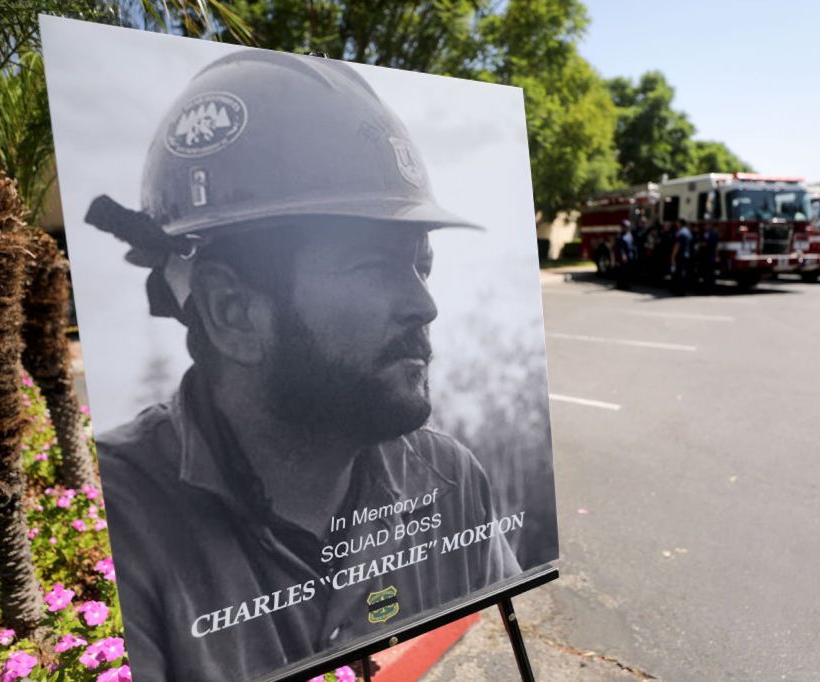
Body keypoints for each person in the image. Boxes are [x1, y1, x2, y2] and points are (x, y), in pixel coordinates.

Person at [85, 50, 520, 681]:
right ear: (232, 311)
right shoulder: (126, 523)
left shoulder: (450, 480)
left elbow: (488, 655)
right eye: (373, 267)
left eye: (420, 263)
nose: (424, 306)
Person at [670, 218, 694, 295]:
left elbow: (677, 245)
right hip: (687, 255)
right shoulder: (688, 232)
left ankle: (678, 290)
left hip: (680, 256)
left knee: (678, 273)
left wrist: (673, 256)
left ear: (680, 224)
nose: (676, 224)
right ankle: (683, 289)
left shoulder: (681, 233)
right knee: (684, 273)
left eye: (678, 223)